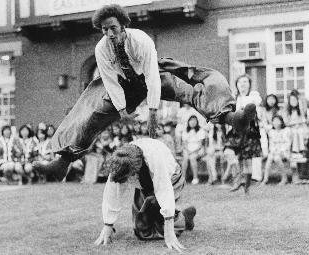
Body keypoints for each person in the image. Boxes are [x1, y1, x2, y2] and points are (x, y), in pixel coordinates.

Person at [33, 4, 256, 178]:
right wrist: (122, 112)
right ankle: (63, 162)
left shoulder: (140, 39)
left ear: (123, 25)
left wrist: (152, 111)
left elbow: (151, 76)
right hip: (122, 85)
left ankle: (231, 118)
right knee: (90, 111)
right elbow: (110, 82)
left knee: (192, 86)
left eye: (113, 28)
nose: (109, 34)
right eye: (104, 30)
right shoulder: (101, 48)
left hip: (154, 75)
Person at [94, 138, 196, 252]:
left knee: (164, 228)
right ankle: (166, 217)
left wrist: (169, 229)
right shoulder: (120, 160)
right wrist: (108, 225)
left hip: (170, 179)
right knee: (142, 231)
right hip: (144, 184)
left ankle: (184, 217)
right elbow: (112, 192)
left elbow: (164, 189)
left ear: (135, 171)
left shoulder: (155, 158)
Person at [227, 74, 262, 193]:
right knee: (229, 153)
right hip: (235, 131)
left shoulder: (253, 96)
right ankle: (237, 180)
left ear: (249, 84)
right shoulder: (233, 97)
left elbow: (255, 105)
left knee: (247, 161)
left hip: (249, 131)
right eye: (240, 82)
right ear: (236, 84)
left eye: (245, 82)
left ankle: (246, 187)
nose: (243, 84)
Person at [262, 115, 292, 185]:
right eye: (274, 121)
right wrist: (274, 151)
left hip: (284, 152)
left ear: (281, 122)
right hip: (274, 152)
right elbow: (271, 144)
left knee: (277, 158)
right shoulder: (271, 132)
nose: (276, 123)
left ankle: (284, 178)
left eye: (278, 121)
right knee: (270, 157)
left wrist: (281, 151)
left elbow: (288, 143)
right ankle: (265, 179)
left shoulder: (286, 130)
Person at [181, 115, 206, 184]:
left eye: (194, 121)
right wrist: (188, 151)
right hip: (187, 149)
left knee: (192, 158)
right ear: (188, 122)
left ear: (197, 122)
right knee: (185, 158)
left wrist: (193, 151)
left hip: (198, 149)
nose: (192, 122)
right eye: (191, 120)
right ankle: (183, 178)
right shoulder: (185, 130)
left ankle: (195, 178)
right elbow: (184, 144)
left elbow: (200, 144)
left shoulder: (200, 130)